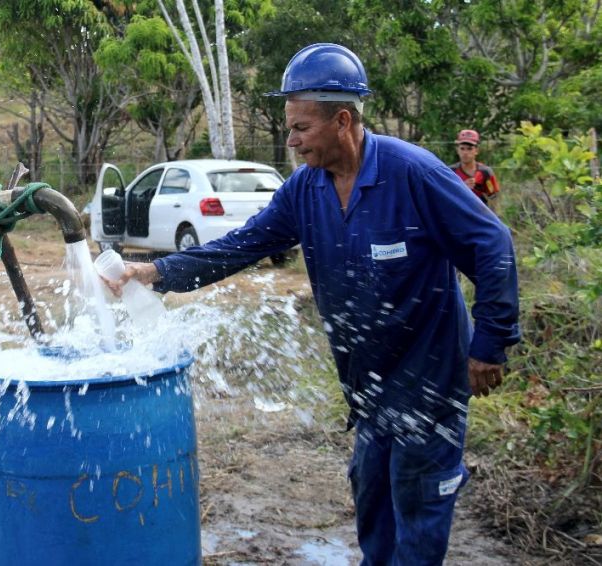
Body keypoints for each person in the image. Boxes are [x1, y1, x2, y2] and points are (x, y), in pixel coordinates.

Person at [103, 43, 520, 565]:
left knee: (417, 513)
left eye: (301, 127)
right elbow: (242, 245)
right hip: (368, 384)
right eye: (290, 126)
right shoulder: (306, 189)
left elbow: (492, 242)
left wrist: (491, 342)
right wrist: (157, 272)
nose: (291, 139)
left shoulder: (412, 173)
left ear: (342, 120)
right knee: (372, 503)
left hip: (429, 379)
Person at [450, 129, 500, 207]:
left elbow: (493, 197)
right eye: (462, 148)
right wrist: (462, 187)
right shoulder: (451, 172)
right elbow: (445, 195)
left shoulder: (485, 172)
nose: (465, 153)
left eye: (469, 149)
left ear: (476, 150)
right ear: (457, 150)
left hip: (480, 214)